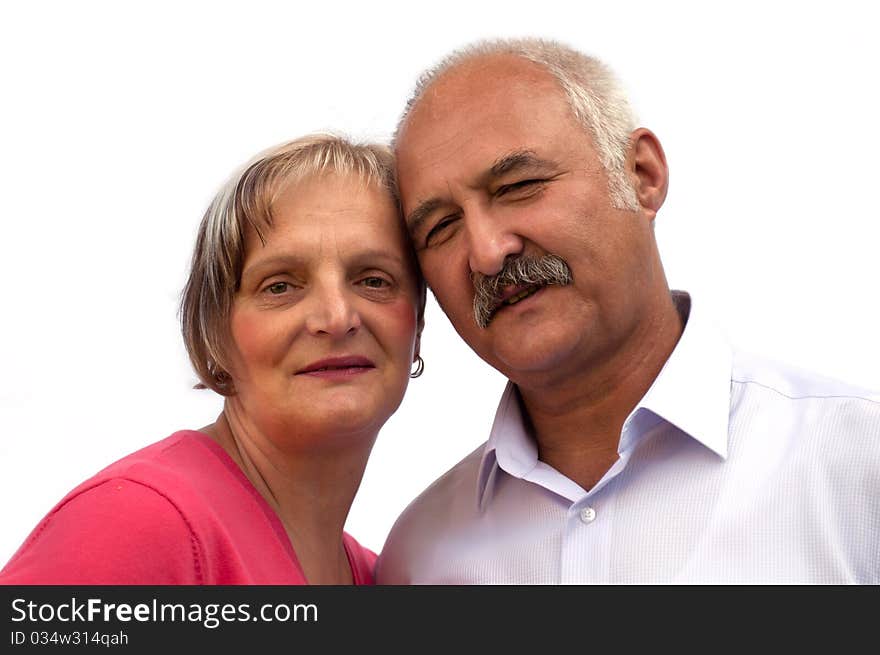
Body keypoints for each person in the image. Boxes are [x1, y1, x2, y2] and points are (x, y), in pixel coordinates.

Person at [376, 37, 880, 584]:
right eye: (440, 227)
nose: (488, 251)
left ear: (641, 175)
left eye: (520, 186)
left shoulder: (856, 461)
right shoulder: (419, 557)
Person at [0, 134, 425, 585]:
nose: (337, 318)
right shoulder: (138, 522)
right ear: (214, 336)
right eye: (279, 286)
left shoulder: (382, 577)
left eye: (374, 280)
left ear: (417, 325)